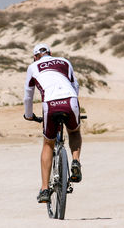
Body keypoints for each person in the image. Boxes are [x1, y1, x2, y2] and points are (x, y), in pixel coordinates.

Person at [23, 43, 83, 203]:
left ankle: (44, 189)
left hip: (50, 103)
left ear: (35, 56)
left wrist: (29, 115)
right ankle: (75, 161)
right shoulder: (64, 62)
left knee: (48, 144)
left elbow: (28, 95)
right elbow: (75, 85)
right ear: (51, 53)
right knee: (74, 131)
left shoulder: (33, 66)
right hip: (70, 100)